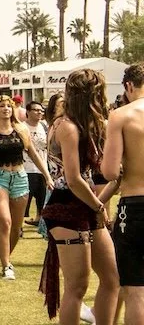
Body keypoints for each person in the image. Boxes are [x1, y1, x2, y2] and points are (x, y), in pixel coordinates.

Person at [40, 69, 120, 324]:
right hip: (66, 206)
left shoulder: (79, 125)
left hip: (84, 205)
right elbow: (73, 179)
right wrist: (98, 205)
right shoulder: (67, 127)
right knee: (77, 285)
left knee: (112, 277)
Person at [0, 94, 51, 279]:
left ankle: (7, 257)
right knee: (5, 222)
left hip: (19, 176)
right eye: (1, 106)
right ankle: (6, 265)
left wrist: (47, 176)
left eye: (8, 106)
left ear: (13, 109)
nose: (6, 109)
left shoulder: (21, 129)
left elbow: (33, 154)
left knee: (16, 228)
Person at [103, 62, 144, 324]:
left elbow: (109, 171)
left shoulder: (122, 115)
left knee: (136, 292)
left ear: (128, 86)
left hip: (136, 203)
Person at [23, 100, 49, 225]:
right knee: (25, 198)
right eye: (36, 110)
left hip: (42, 168)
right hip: (26, 168)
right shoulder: (22, 127)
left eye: (41, 110)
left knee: (41, 197)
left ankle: (39, 218)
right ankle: (19, 224)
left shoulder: (44, 126)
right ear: (28, 112)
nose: (39, 112)